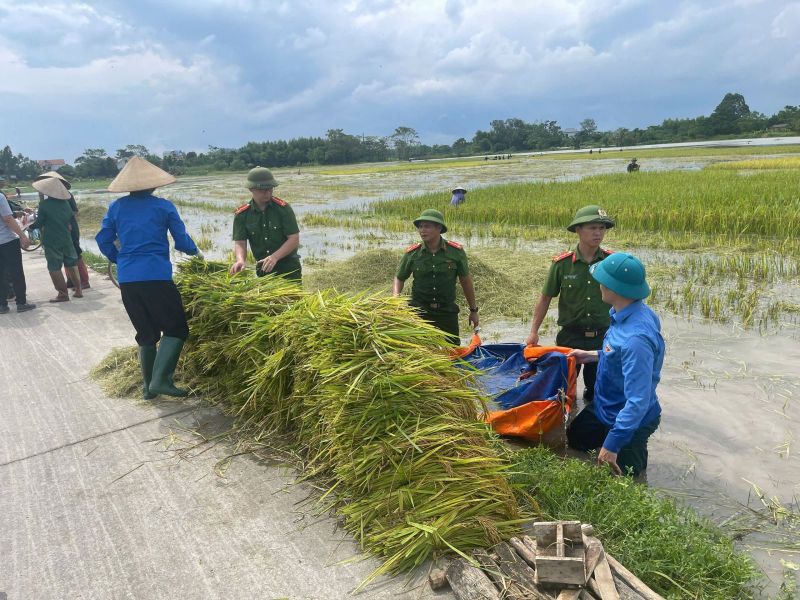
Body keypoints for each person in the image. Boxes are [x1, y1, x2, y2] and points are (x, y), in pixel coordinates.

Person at [96, 157, 202, 399]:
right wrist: (196, 252)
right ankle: (161, 380)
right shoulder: (163, 207)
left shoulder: (117, 207)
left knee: (146, 332)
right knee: (176, 328)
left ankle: (147, 388)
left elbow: (103, 240)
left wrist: (120, 259)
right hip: (156, 276)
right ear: (154, 185)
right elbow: (182, 241)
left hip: (128, 279)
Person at [566, 252, 663, 477]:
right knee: (576, 439)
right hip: (606, 406)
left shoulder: (636, 339)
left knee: (627, 479)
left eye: (601, 281)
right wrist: (592, 355)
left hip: (632, 419)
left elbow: (638, 401)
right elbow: (618, 355)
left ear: (614, 289)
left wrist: (613, 444)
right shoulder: (629, 312)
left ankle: (623, 448)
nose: (598, 285)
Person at [526, 205, 616, 400]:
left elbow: (624, 300)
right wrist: (534, 332)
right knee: (564, 392)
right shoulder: (562, 264)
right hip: (569, 338)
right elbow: (545, 298)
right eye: (592, 228)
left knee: (597, 393)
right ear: (578, 230)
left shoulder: (611, 262)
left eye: (602, 228)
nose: (598, 233)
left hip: (602, 340)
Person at [393, 209, 479, 344]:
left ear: (439, 228)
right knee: (419, 349)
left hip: (446, 311)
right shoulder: (413, 253)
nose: (422, 230)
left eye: (427, 226)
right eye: (420, 227)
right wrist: (395, 299)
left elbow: (466, 282)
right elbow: (399, 278)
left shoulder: (455, 252)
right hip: (419, 311)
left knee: (453, 350)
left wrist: (473, 310)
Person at [230, 167, 301, 280]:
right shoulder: (242, 215)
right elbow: (240, 242)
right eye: (262, 190)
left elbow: (294, 239)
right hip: (264, 269)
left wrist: (275, 257)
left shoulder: (283, 209)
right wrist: (240, 260)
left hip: (289, 268)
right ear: (250, 189)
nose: (267, 193)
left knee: (294, 297)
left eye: (270, 189)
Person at [29, 178, 83, 302]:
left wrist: (32, 227)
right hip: (66, 237)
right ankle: (78, 290)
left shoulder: (44, 205)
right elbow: (69, 216)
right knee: (71, 263)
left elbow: (41, 221)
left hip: (51, 239)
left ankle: (63, 294)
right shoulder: (65, 204)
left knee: (54, 266)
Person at [0, 174, 36, 314]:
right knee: (16, 272)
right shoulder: (1, 197)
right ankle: (21, 302)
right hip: (7, 240)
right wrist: (23, 236)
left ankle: (2, 305)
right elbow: (8, 219)